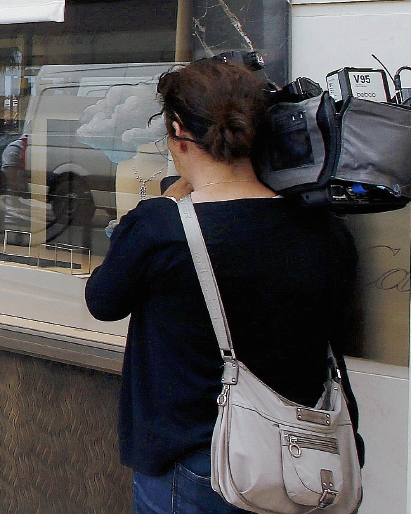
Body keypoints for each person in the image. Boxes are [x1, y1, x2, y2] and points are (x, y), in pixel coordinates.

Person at [84, 59, 359, 514]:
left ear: (177, 131)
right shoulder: (324, 228)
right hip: (301, 462)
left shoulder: (160, 229)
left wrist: (171, 197)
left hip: (195, 461)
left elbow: (102, 301)